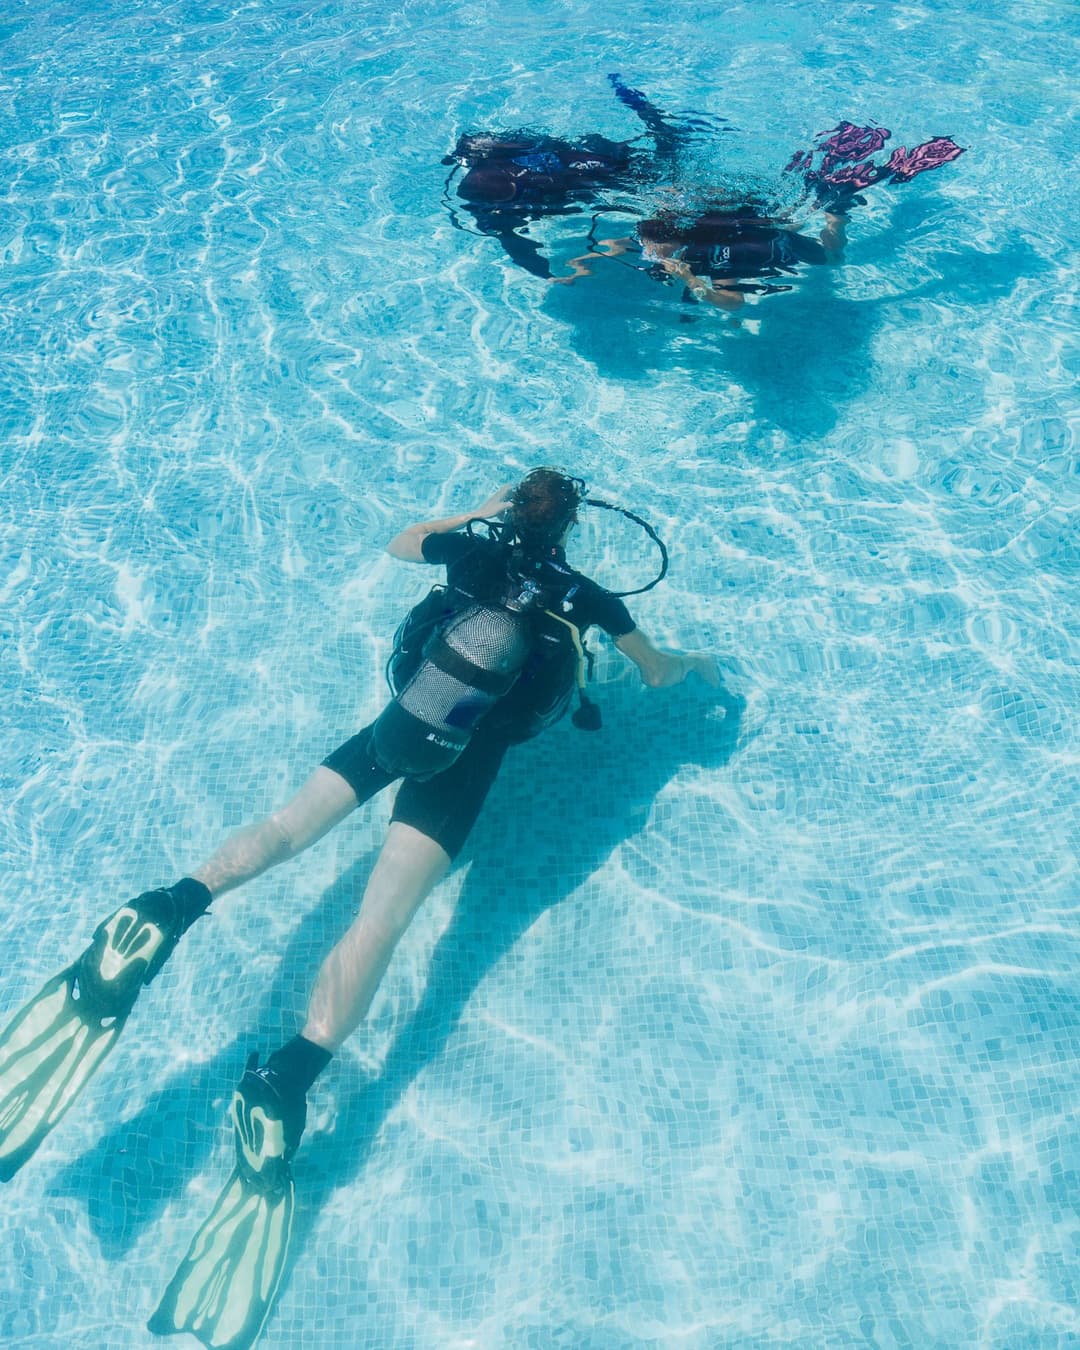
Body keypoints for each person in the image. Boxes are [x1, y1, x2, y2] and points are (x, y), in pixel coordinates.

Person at [0, 468, 717, 1347]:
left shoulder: (467, 552)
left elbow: (398, 539)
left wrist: (481, 514)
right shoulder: (588, 598)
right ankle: (287, 1079)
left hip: (394, 729)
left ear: (513, 509)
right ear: (571, 527)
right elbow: (655, 674)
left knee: (285, 828)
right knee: (379, 921)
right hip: (461, 761)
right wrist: (683, 663)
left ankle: (169, 908)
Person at [556, 119, 965, 309]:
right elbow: (620, 242)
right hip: (752, 213)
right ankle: (828, 179)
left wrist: (693, 282)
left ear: (679, 240)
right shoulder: (662, 233)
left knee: (834, 260)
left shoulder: (711, 258)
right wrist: (582, 265)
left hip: (774, 241)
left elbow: (733, 301)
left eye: (655, 246)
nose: (648, 251)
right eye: (647, 244)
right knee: (792, 203)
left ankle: (837, 217)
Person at [444, 73, 693, 280]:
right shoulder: (485, 200)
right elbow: (510, 240)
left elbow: (510, 237)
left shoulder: (525, 167)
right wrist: (548, 275)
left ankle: (649, 114)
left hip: (577, 162)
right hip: (573, 166)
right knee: (654, 172)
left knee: (658, 169)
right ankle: (649, 117)